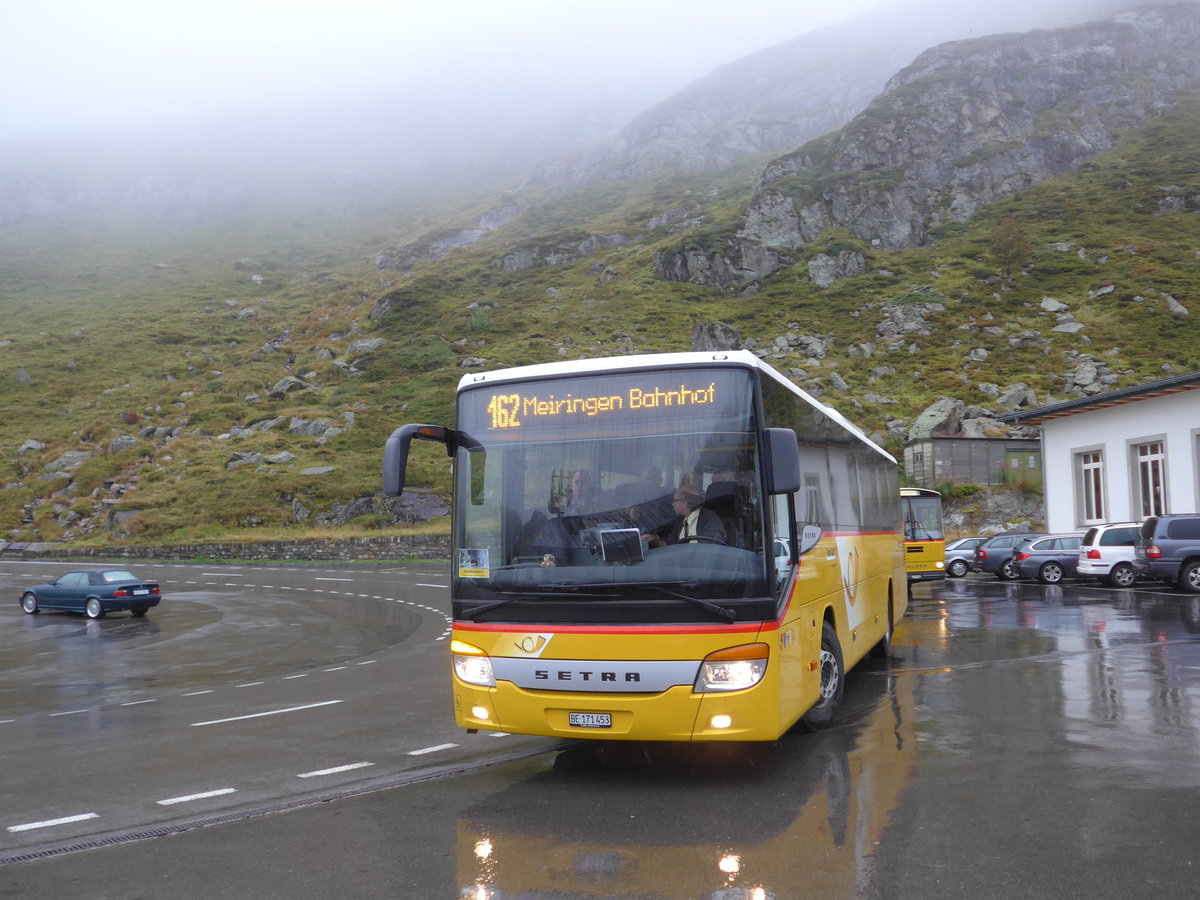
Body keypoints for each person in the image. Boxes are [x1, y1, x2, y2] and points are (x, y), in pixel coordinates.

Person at [643, 484, 725, 548]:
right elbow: (669, 545)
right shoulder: (680, 521)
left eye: (675, 500)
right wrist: (655, 540)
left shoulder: (709, 518)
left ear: (685, 503)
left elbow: (711, 546)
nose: (673, 504)